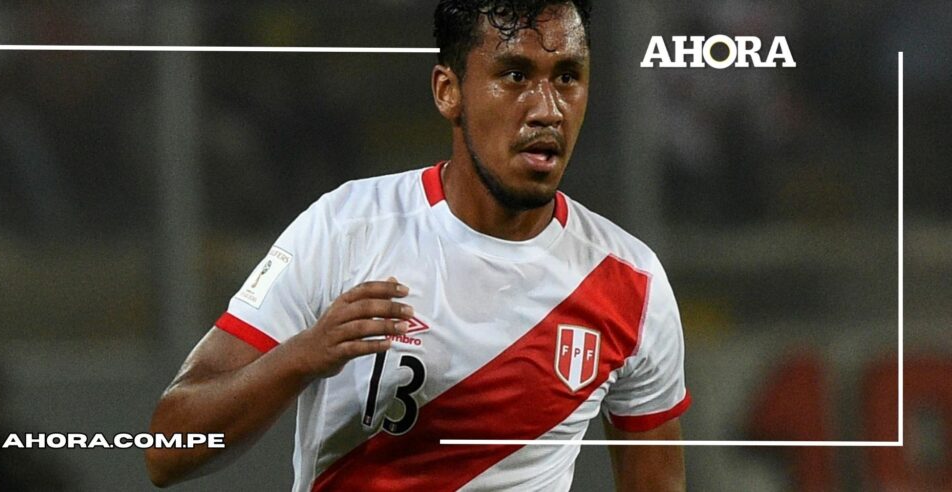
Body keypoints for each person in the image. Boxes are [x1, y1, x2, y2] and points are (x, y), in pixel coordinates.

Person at [146, 1, 690, 490]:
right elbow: (166, 452)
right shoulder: (346, 227)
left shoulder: (631, 283)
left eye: (567, 77)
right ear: (448, 91)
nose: (547, 109)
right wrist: (302, 356)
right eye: (515, 75)